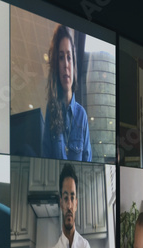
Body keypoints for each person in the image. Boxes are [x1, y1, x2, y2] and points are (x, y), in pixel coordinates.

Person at [41, 25, 91, 161]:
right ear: (56, 65)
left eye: (69, 57)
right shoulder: (51, 110)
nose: (66, 65)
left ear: (74, 65)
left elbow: (88, 161)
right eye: (61, 57)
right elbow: (45, 157)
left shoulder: (82, 116)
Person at [43, 164, 92, 248]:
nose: (69, 205)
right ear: (61, 203)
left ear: (76, 203)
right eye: (65, 198)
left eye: (72, 198)